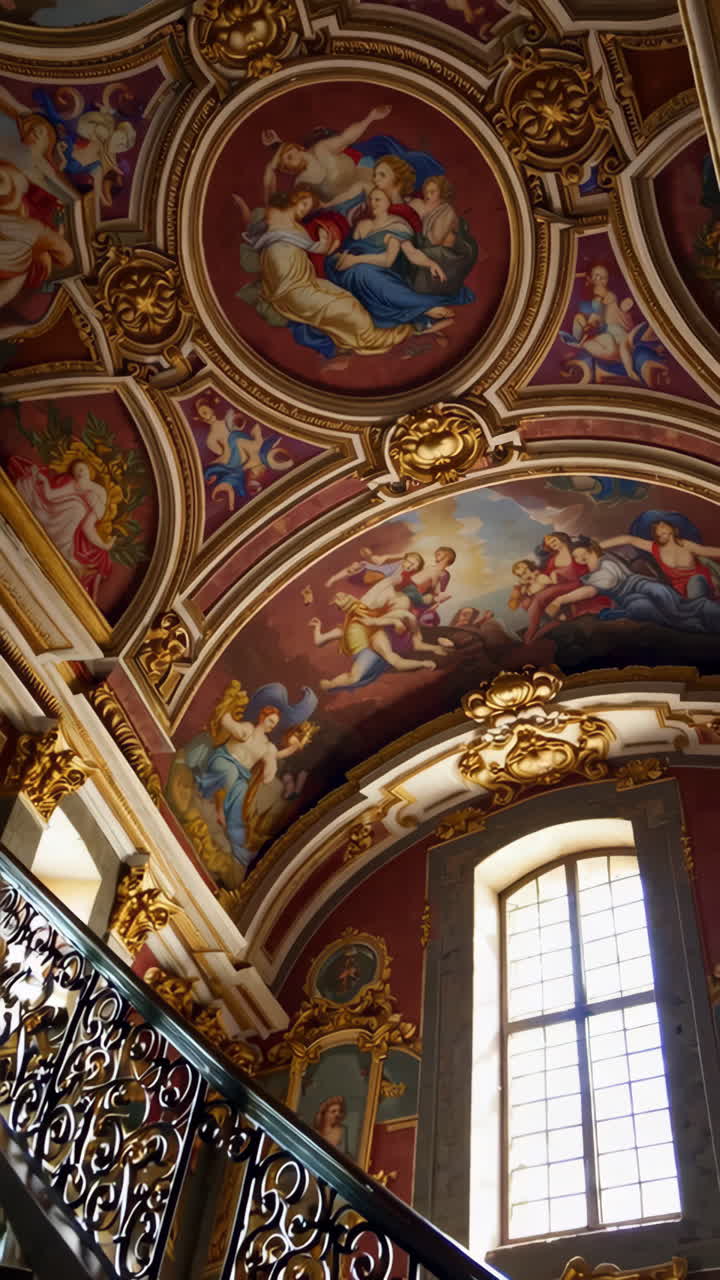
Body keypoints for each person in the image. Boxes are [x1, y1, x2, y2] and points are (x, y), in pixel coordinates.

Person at [254, 187, 417, 358]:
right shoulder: (277, 223)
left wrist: (327, 241)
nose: (303, 210)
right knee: (349, 311)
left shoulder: (296, 228)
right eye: (303, 204)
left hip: (306, 282)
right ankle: (371, 338)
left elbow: (316, 247)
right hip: (293, 290)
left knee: (348, 300)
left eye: (307, 208)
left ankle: (364, 333)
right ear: (291, 201)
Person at [327, 186, 459, 332]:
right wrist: (342, 258)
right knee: (360, 272)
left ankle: (424, 310)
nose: (373, 203)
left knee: (365, 272)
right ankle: (422, 311)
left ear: (388, 202)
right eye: (371, 199)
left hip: (372, 270)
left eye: (378, 199)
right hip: (346, 271)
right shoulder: (362, 224)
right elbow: (348, 249)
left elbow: (395, 258)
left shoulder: (397, 225)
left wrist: (430, 263)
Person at [545, 539, 720, 633]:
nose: (577, 558)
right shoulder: (591, 575)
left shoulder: (604, 560)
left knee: (658, 592)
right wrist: (561, 600)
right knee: (641, 607)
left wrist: (560, 599)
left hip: (640, 584)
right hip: (628, 598)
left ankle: (693, 613)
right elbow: (591, 589)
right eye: (574, 557)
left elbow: (599, 584)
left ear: (589, 549)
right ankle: (690, 624)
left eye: (579, 553)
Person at [8, 456, 114, 597]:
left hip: (70, 521)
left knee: (77, 509)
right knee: (76, 508)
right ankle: (67, 554)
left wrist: (104, 545)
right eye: (76, 473)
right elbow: (51, 496)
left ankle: (67, 558)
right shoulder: (73, 486)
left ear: (89, 471)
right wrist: (45, 482)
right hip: (57, 514)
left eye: (82, 470)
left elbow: (88, 528)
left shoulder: (100, 493)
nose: (80, 474)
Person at [309, 590, 447, 691]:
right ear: (338, 607)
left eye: (344, 595)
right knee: (354, 677)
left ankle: (331, 684)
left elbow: (377, 618)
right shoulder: (343, 629)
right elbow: (319, 641)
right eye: (338, 598)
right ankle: (331, 684)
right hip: (365, 654)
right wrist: (317, 627)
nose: (341, 597)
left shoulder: (366, 612)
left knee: (356, 676)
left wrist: (394, 622)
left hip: (371, 649)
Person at [261, 106, 393, 206]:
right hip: (350, 207)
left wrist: (371, 117)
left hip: (372, 182)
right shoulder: (301, 182)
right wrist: (271, 167)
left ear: (298, 148)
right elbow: (275, 205)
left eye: (289, 157)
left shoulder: (321, 148)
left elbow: (347, 137)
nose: (289, 164)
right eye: (285, 167)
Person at [195, 400, 293, 511]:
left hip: (248, 446)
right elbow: (225, 455)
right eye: (202, 414)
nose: (205, 414)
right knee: (236, 439)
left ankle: (259, 450)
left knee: (245, 436)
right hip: (235, 458)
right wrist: (213, 465)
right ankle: (259, 451)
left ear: (211, 409)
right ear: (201, 419)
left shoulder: (229, 419)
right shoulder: (211, 439)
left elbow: (245, 426)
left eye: (205, 411)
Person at [601, 515, 720, 599]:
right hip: (678, 589)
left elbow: (708, 551)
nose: (660, 525)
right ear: (655, 533)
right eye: (657, 526)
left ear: (672, 529)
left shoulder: (686, 545)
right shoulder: (655, 548)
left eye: (663, 524)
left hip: (699, 583)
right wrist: (598, 546)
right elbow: (628, 539)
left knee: (695, 582)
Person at [408, 174, 478, 295]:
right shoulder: (427, 207)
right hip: (433, 250)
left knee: (417, 255)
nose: (427, 195)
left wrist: (420, 215)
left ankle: (419, 291)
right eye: (426, 191)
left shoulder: (446, 210)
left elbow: (435, 240)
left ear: (442, 193)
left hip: (447, 256)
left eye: (432, 192)